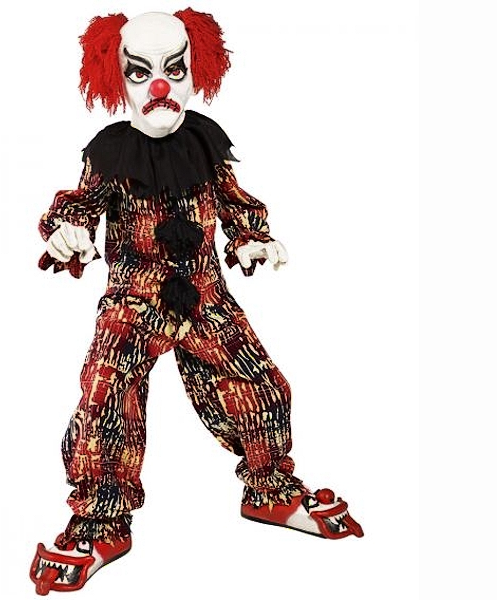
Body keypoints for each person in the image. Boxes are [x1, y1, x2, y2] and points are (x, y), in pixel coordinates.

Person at [30, 9, 363, 596]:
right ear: (117, 79)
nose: (160, 86)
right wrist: (66, 230)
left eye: (174, 69)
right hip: (134, 299)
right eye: (140, 73)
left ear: (195, 71)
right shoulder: (108, 154)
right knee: (105, 396)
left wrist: (252, 238)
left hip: (206, 295)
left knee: (263, 386)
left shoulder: (208, 144)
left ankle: (270, 489)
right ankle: (100, 523)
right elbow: (79, 205)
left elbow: (235, 202)